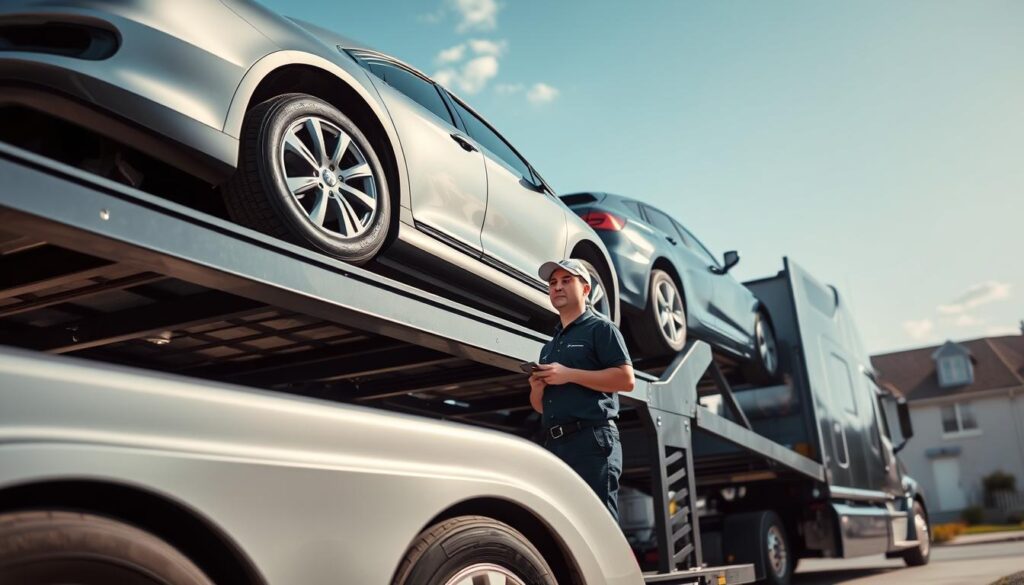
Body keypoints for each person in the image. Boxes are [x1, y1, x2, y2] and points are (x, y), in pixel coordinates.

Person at [529, 259, 635, 520]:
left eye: (567, 281)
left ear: (586, 289)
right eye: (553, 283)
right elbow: (542, 407)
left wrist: (568, 375)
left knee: (599, 524)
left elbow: (626, 379)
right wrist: (536, 389)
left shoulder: (601, 329)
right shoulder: (549, 347)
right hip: (556, 444)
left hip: (592, 441)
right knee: (567, 525)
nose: (557, 287)